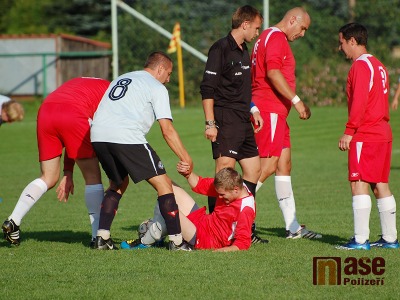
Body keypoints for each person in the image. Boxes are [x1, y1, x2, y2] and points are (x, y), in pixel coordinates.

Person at [90, 51, 193, 251]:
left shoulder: (123, 78)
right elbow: (167, 130)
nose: (169, 79)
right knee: (164, 184)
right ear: (160, 68)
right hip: (126, 136)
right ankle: (177, 241)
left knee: (118, 183)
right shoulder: (156, 86)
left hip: (98, 135)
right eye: (169, 73)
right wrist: (186, 157)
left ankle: (102, 237)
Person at [2, 77, 112, 246]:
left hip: (46, 111)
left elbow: (72, 138)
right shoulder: (113, 95)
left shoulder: (89, 83)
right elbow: (78, 131)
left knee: (48, 177)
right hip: (73, 113)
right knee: (92, 177)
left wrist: (67, 173)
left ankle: (13, 220)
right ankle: (97, 237)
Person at [250, 7, 321, 239]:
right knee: (266, 167)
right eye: (302, 28)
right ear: (292, 20)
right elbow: (273, 73)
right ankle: (233, 215)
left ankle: (293, 227)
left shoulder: (268, 37)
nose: (302, 34)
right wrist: (298, 101)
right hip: (268, 109)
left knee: (283, 164)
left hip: (276, 112)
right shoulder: (276, 37)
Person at [199, 5, 266, 243]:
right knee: (223, 173)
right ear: (245, 24)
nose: (258, 32)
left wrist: (253, 109)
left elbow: (244, 90)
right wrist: (210, 123)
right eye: (257, 27)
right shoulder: (220, 48)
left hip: (243, 120)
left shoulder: (243, 49)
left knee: (253, 170)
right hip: (225, 118)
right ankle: (214, 228)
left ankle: (245, 226)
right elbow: (207, 88)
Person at [336, 23, 398, 250]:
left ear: (352, 41)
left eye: (341, 42)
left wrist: (349, 131)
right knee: (380, 184)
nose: (340, 48)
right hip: (382, 131)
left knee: (358, 182)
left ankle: (361, 241)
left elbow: (360, 102)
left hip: (367, 133)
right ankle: (390, 239)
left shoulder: (360, 67)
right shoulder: (378, 64)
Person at [122, 164, 255, 252]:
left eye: (222, 195)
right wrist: (187, 173)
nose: (219, 197)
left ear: (236, 189)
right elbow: (199, 184)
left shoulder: (246, 208)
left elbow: (243, 242)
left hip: (205, 239)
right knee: (165, 185)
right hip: (202, 221)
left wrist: (223, 250)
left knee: (169, 209)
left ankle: (146, 241)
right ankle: (158, 232)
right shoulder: (231, 186)